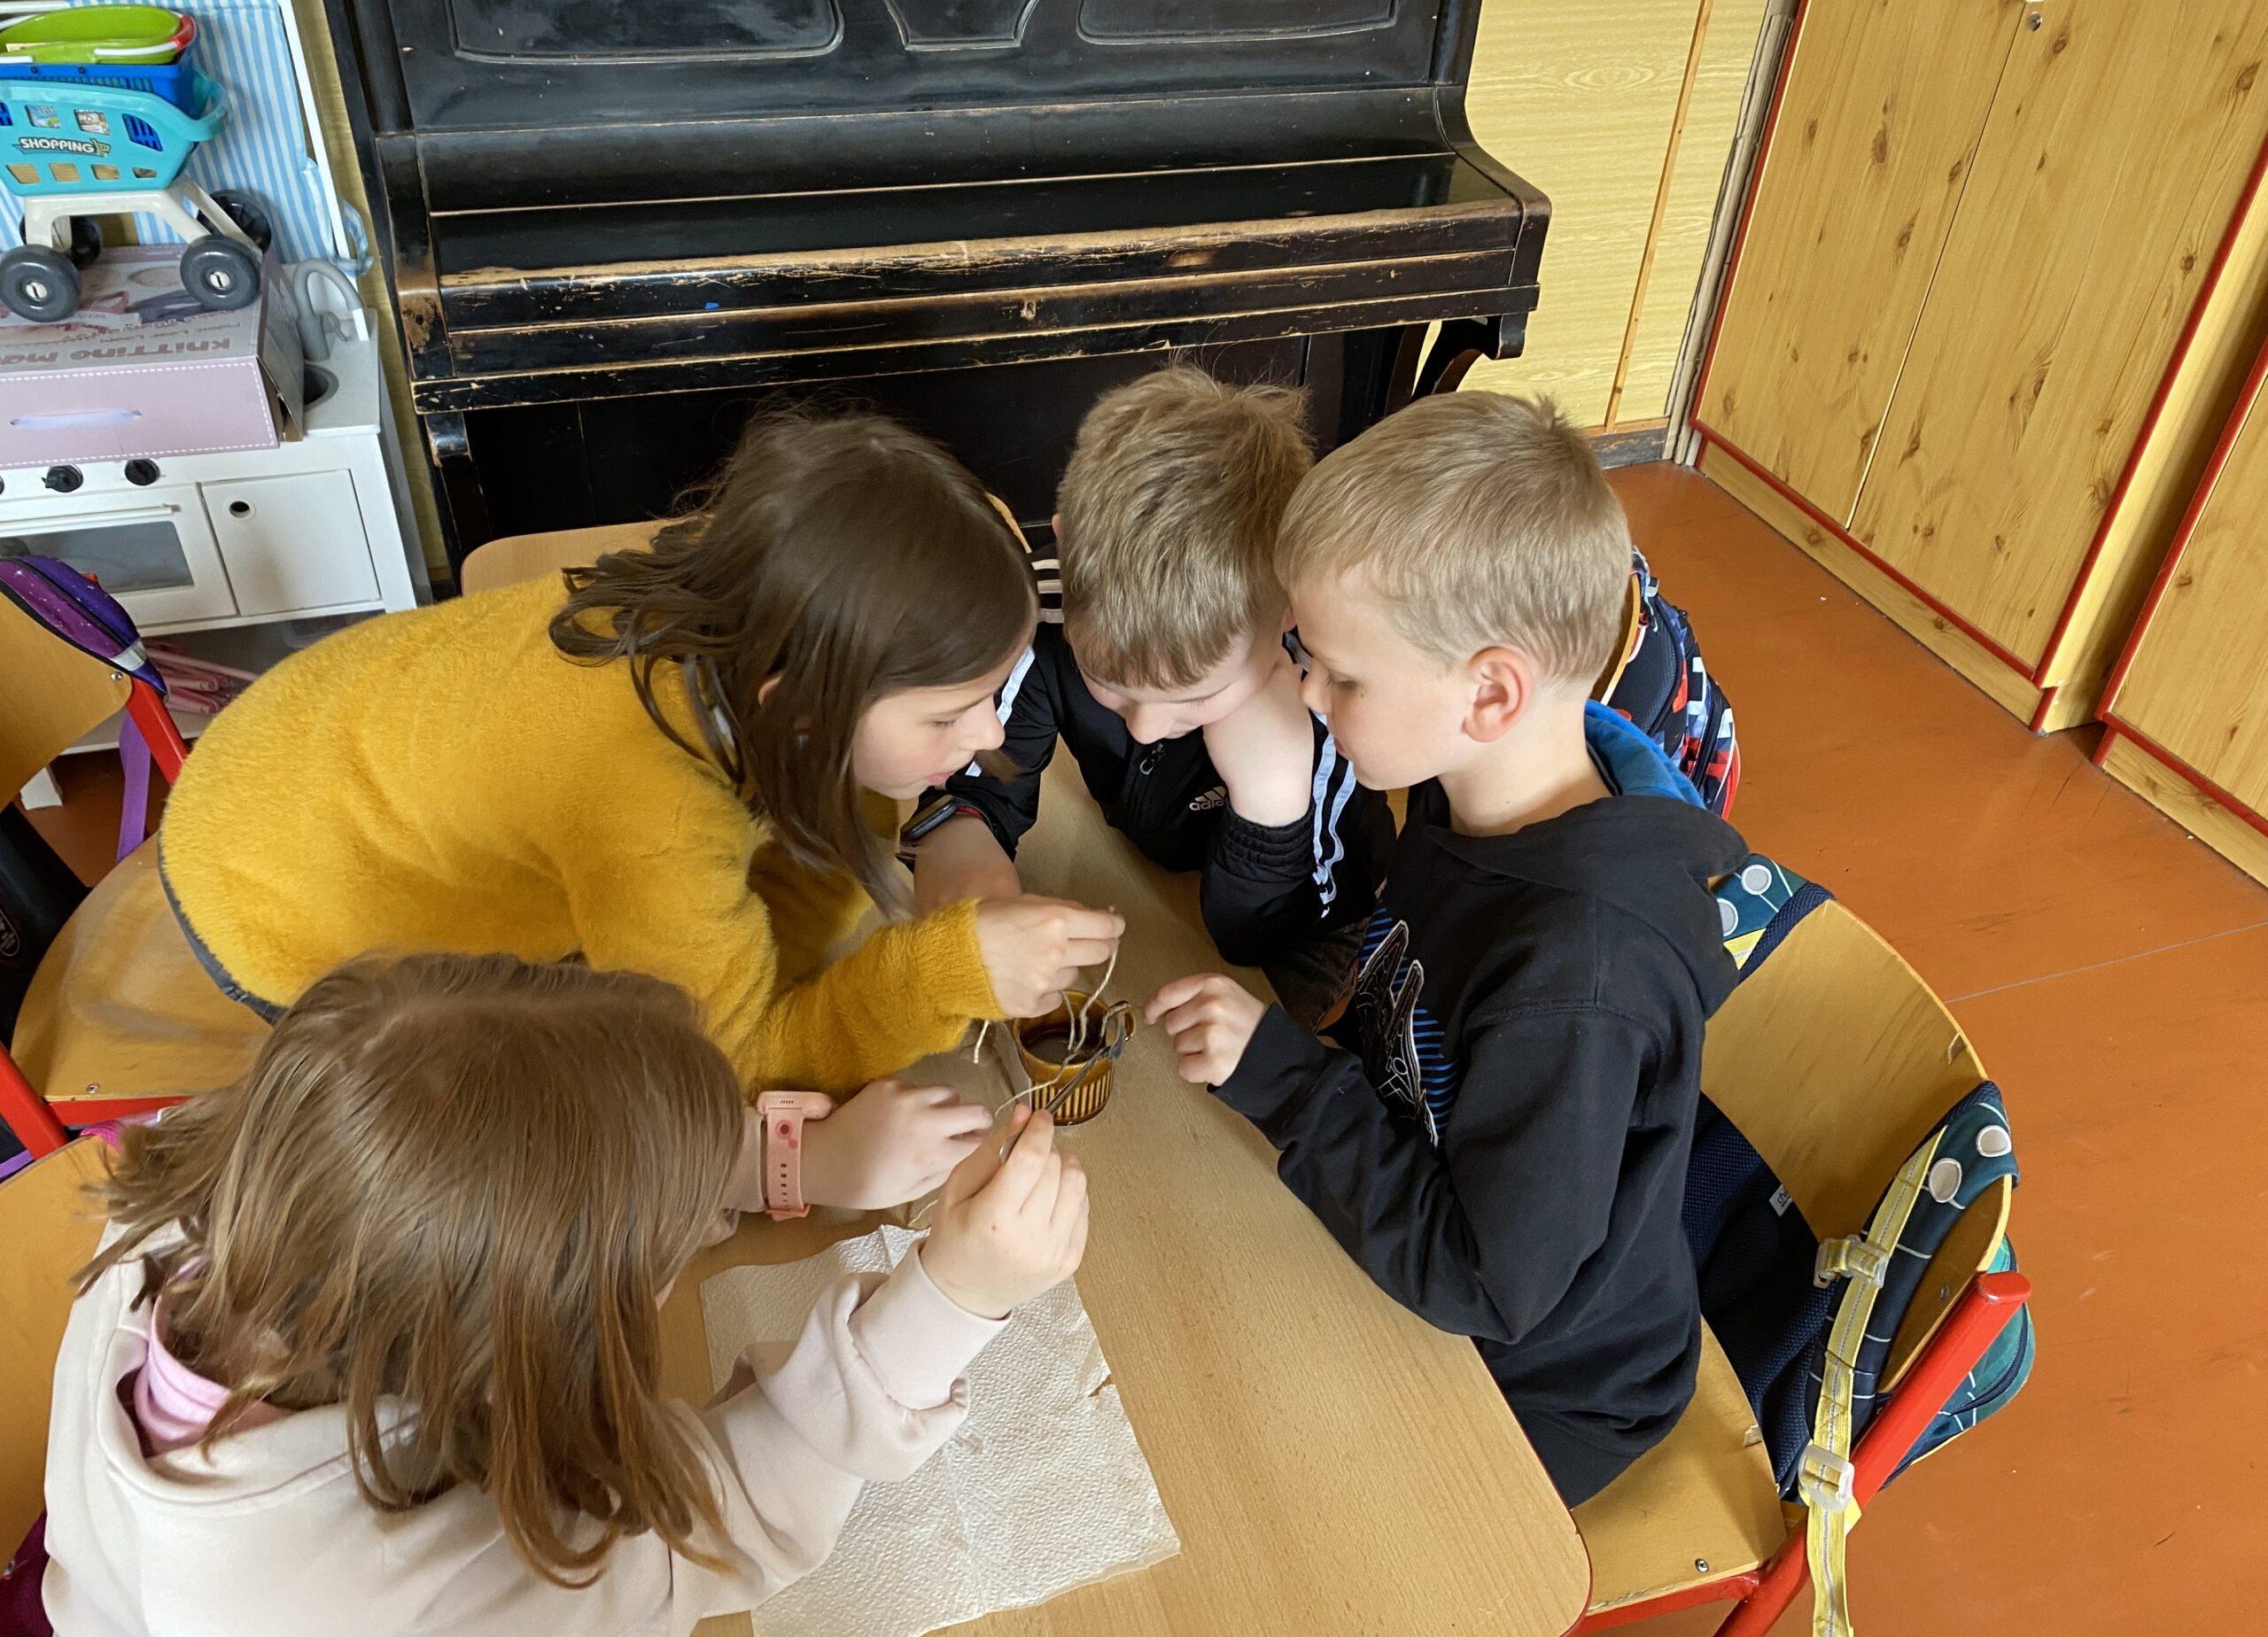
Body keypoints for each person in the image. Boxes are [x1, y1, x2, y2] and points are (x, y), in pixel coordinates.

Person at [155, 408, 1124, 1203]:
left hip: (289, 751)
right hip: (270, 896)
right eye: (950, 714)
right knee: (547, 1110)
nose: (987, 740)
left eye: (994, 697)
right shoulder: (647, 810)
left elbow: (791, 878)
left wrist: (799, 947)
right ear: (804, 709)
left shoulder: (773, 602)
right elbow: (715, 1075)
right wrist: (936, 976)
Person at [43, 953, 1088, 1637]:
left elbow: (494, 1145)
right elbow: (712, 1530)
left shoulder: (238, 1189)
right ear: (543, 1339)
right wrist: (949, 1302)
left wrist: (786, 1164)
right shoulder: (450, 1594)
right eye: (661, 1239)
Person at [1146, 391, 1750, 1505]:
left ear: (1489, 693)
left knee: (1265, 1500)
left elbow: (1484, 1281)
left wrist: (1287, 1082)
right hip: (1423, 1227)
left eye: (1341, 674)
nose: (1307, 691)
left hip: (1545, 1379)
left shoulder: (1575, 982)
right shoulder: (1464, 793)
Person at [905, 367, 1394, 1023]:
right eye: (1109, 684)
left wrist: (1271, 797)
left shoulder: (1324, 700)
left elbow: (1260, 939)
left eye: (1196, 697)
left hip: (1309, 913)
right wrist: (983, 905)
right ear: (1066, 554)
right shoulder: (1045, 612)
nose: (1143, 729)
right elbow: (974, 793)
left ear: (1288, 607)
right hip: (1155, 864)